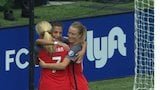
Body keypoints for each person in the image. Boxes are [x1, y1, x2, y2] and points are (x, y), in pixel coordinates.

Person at [39, 21, 88, 90]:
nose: (70, 36)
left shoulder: (76, 48)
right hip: (71, 84)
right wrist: (84, 48)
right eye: (69, 33)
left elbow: (63, 65)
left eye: (73, 34)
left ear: (79, 35)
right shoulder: (69, 42)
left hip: (77, 85)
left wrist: (45, 65)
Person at [35, 21, 71, 90]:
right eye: (55, 32)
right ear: (50, 33)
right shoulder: (65, 45)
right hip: (64, 85)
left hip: (47, 85)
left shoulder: (40, 47)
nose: (58, 35)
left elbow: (37, 41)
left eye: (60, 33)